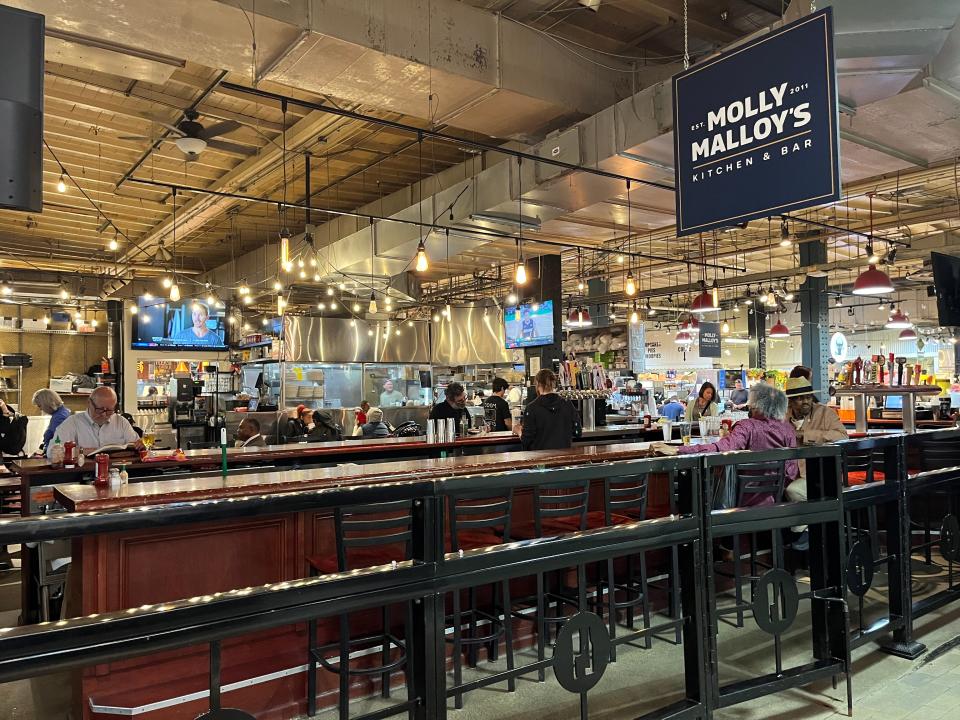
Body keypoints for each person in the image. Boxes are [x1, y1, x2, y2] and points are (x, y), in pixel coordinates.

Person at [652, 384, 797, 507]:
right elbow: (791, 472)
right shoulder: (788, 429)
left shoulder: (747, 427)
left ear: (758, 405)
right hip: (777, 502)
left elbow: (720, 448)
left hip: (741, 502)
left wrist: (678, 449)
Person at [784, 376, 848, 505]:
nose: (806, 401)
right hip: (787, 475)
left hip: (820, 475)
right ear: (790, 402)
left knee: (794, 491)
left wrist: (805, 434)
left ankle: (807, 523)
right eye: (800, 398)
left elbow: (843, 437)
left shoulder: (825, 413)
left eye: (808, 397)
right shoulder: (782, 416)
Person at [46, 387, 144, 459]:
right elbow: (51, 452)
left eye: (109, 410)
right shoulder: (72, 423)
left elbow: (135, 445)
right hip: (83, 475)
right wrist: (83, 451)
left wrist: (140, 446)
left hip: (118, 472)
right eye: (100, 409)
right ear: (89, 403)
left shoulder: (121, 422)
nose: (104, 415)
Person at [519, 368, 581, 451]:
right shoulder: (567, 404)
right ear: (554, 384)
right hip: (564, 458)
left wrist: (519, 431)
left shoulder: (531, 408)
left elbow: (526, 440)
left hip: (540, 459)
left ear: (537, 384)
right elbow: (577, 433)